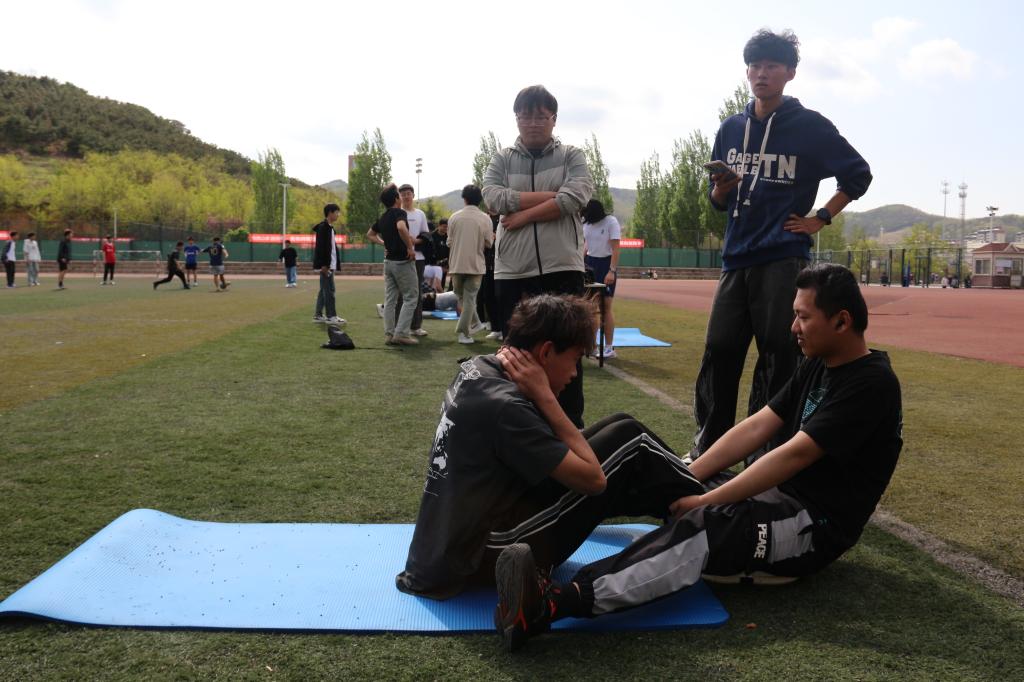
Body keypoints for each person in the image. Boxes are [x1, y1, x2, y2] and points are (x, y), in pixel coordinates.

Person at [494, 264, 903, 652]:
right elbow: (758, 426)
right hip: (773, 498)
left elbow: (794, 455)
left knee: (701, 525)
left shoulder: (872, 384)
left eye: (803, 317)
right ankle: (536, 537)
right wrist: (683, 473)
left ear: (842, 322)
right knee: (642, 456)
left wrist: (705, 500)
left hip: (809, 525)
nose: (793, 327)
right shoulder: (817, 365)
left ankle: (548, 605)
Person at [396, 294, 705, 603]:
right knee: (630, 441)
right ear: (545, 352)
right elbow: (594, 481)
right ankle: (709, 509)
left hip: (450, 548)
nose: (574, 373)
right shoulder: (506, 406)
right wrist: (545, 396)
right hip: (484, 554)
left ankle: (690, 499)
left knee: (620, 425)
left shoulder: (478, 369)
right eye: (574, 360)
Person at [694, 29, 872, 461]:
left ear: (790, 73)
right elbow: (717, 201)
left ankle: (763, 455)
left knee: (778, 357)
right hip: (736, 257)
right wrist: (721, 189)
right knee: (720, 350)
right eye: (754, 66)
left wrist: (820, 218)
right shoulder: (730, 128)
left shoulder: (809, 125)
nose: (762, 73)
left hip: (782, 257)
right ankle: (709, 450)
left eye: (772, 66)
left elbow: (858, 174)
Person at [482, 84, 593, 427]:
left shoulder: (572, 155)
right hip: (513, 270)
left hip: (563, 267)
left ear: (553, 119)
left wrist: (523, 216)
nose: (532, 122)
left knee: (567, 352)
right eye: (525, 115)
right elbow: (493, 198)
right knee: (515, 355)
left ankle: (571, 428)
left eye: (541, 116)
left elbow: (575, 198)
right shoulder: (502, 158)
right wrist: (550, 196)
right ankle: (517, 428)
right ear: (516, 118)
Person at [367, 184, 420, 346]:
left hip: (388, 262)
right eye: (399, 194)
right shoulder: (399, 213)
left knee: (390, 300)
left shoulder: (383, 217)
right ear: (397, 199)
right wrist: (410, 247)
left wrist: (385, 243)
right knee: (411, 297)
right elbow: (401, 227)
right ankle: (401, 334)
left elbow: (370, 234)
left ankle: (389, 334)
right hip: (402, 262)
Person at [447, 184, 494, 344]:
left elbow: (449, 242)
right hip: (475, 264)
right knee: (469, 299)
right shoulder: (485, 218)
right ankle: (468, 329)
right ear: (480, 200)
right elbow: (489, 243)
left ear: (464, 198)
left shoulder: (454, 217)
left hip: (456, 264)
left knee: (462, 297)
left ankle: (468, 329)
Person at [581, 199, 621, 359]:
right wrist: (580, 262)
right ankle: (592, 346)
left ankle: (609, 348)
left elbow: (616, 248)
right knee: (590, 308)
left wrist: (611, 271)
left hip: (606, 264)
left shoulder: (611, 222)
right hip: (590, 264)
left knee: (605, 307)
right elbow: (586, 245)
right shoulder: (586, 224)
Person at [395, 184, 430, 337]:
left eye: (408, 193)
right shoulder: (397, 213)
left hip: (418, 259)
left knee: (417, 292)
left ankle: (416, 326)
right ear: (399, 197)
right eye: (403, 194)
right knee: (401, 293)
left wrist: (415, 241)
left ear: (413, 195)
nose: (406, 197)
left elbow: (426, 236)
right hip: (401, 258)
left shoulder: (420, 214)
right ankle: (400, 326)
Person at [312, 203, 345, 326]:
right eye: (337, 212)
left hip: (329, 264)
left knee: (324, 290)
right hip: (326, 265)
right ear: (330, 213)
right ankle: (331, 316)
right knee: (329, 290)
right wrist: (324, 265)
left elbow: (330, 248)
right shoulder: (323, 228)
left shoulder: (329, 228)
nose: (338, 215)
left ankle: (318, 315)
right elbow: (321, 248)